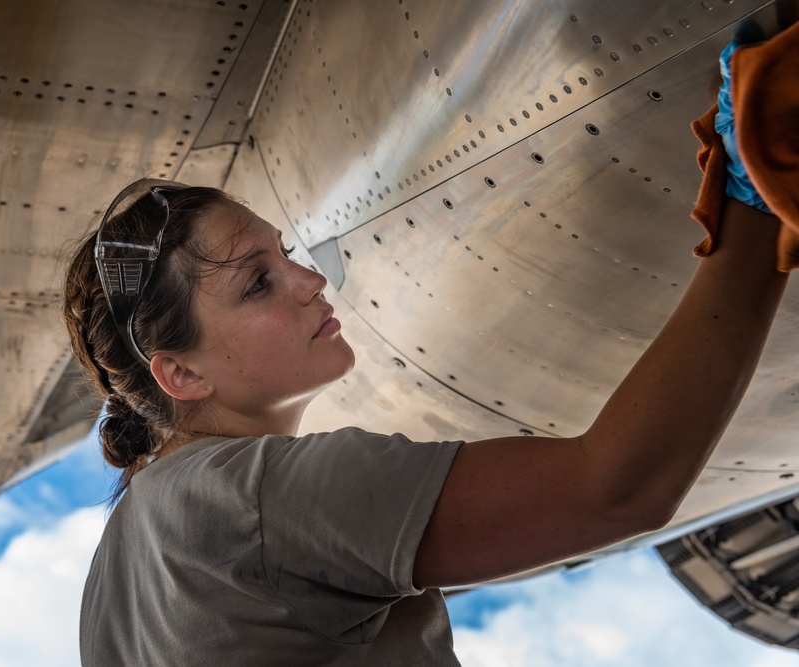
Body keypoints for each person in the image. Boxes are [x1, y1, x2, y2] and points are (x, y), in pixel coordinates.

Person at [63, 43, 791, 666]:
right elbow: (616, 489)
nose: (312, 281)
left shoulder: (111, 589)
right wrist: (752, 189)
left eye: (284, 255)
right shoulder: (256, 497)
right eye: (259, 283)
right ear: (179, 372)